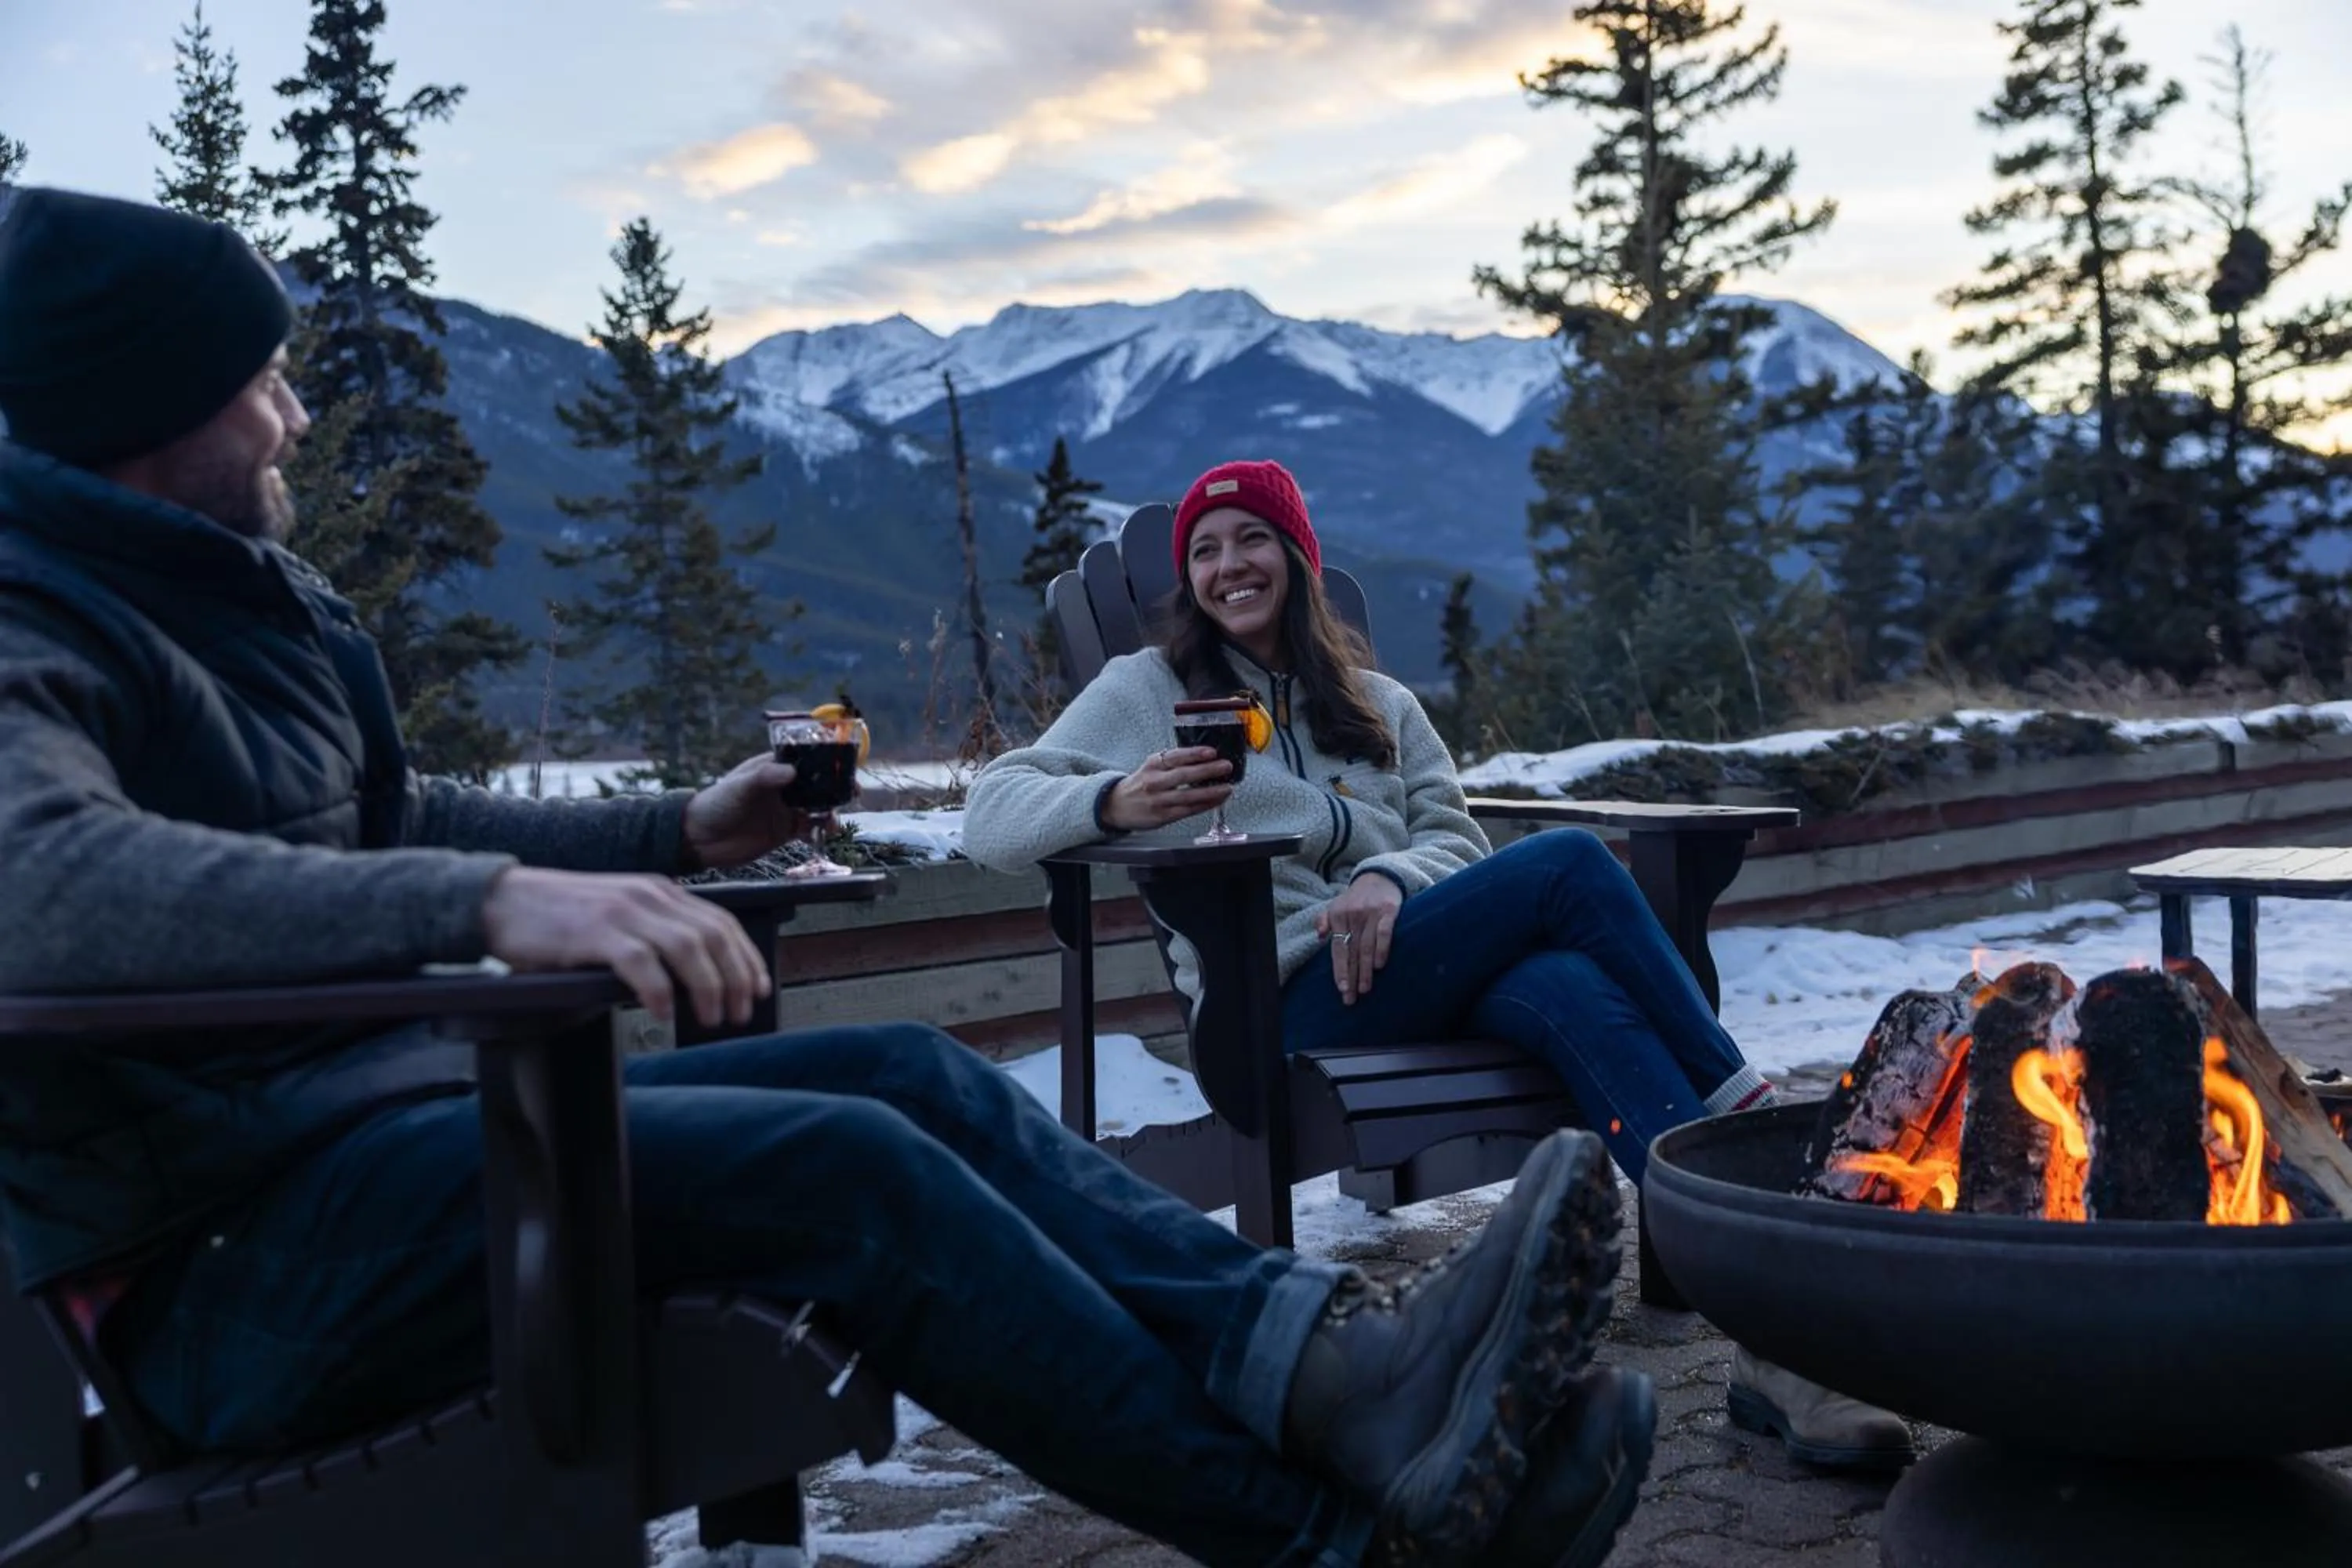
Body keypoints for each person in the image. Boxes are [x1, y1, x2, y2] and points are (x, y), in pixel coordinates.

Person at [0, 185, 1654, 1568]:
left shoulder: (221, 596)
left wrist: (673, 834)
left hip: (387, 1154)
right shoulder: (37, 615)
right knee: (850, 1166)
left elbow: (390, 816)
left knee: (913, 1070)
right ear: (148, 407)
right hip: (226, 1265)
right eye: (262, 383)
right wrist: (484, 908)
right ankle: (1338, 1540)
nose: (294, 413)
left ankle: (1332, 1372)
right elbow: (44, 882)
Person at [963, 457, 1916, 1474]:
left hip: (1411, 969)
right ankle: (1751, 1127)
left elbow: (1456, 842)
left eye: (1249, 540)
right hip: (1281, 998)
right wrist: (1115, 804)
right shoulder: (1146, 691)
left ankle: (1776, 1349)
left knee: (1570, 990)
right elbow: (991, 812)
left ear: (1296, 557)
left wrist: (1385, 877)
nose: (1227, 565)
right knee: (1570, 865)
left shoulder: (1379, 704)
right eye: (1203, 549)